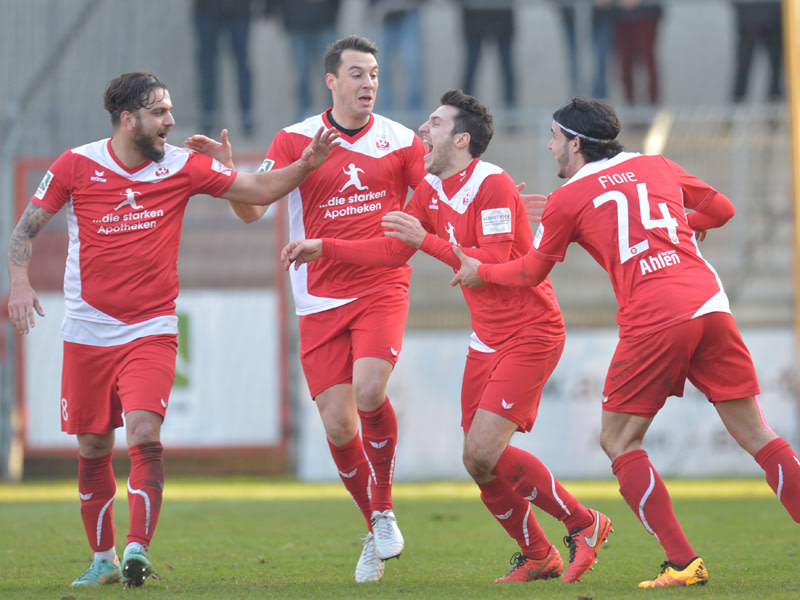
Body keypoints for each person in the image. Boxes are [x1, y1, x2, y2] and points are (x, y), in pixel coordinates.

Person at [5, 72, 338, 589]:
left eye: (171, 110)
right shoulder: (76, 164)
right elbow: (24, 229)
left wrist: (307, 163)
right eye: (160, 112)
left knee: (144, 432)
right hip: (88, 330)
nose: (171, 121)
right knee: (93, 447)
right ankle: (103, 558)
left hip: (151, 327)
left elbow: (258, 189)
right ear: (127, 119)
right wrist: (20, 283)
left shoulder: (183, 166)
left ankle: (138, 549)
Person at [451, 96, 800, 588]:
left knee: (618, 439)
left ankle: (683, 563)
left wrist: (478, 270)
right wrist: (680, 229)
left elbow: (531, 271)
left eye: (554, 138)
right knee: (757, 435)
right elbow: (721, 210)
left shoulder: (570, 197)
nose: (550, 147)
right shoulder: (655, 165)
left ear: (575, 143)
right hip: (709, 304)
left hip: (656, 318)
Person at [281, 89, 613, 584]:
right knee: (477, 463)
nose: (421, 131)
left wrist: (428, 241)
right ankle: (538, 554)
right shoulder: (433, 189)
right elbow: (394, 251)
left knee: (484, 453)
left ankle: (585, 523)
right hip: (487, 337)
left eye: (433, 124)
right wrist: (322, 247)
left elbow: (495, 266)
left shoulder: (493, 184)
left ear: (460, 139)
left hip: (530, 332)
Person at [188, 35, 428, 583]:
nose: (368, 83)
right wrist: (228, 177)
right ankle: (375, 526)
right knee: (339, 424)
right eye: (357, 74)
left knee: (370, 391)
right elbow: (253, 212)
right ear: (331, 81)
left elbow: (432, 201)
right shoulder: (295, 139)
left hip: (380, 284)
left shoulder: (399, 139)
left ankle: (385, 508)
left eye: (373, 73)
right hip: (318, 298)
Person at [266, 0, 341, 120]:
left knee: (330, 72)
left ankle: (336, 112)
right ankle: (305, 112)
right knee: (301, 73)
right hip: (295, 21)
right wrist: (269, 9)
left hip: (324, 19)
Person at [192, 0, 256, 136]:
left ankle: (246, 115)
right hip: (207, 10)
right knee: (207, 66)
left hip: (239, 10)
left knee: (242, 64)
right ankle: (208, 114)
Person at [369, 0, 425, 115]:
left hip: (408, 12)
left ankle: (414, 117)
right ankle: (386, 119)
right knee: (380, 69)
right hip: (382, 14)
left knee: (412, 67)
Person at [458, 0, 516, 110]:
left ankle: (511, 111)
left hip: (501, 18)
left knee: (507, 68)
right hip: (474, 19)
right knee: (471, 67)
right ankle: (463, 110)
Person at [555, 0, 614, 98]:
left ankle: (599, 105)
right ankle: (578, 104)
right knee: (575, 64)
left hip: (600, 15)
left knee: (600, 63)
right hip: (571, 17)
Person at [730, 0, 783, 104]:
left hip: (772, 17)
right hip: (749, 17)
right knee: (744, 66)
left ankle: (774, 106)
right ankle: (736, 107)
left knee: (776, 67)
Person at [613, 0, 662, 105]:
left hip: (646, 13)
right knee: (625, 60)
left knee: (647, 58)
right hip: (621, 16)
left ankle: (653, 103)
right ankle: (629, 103)